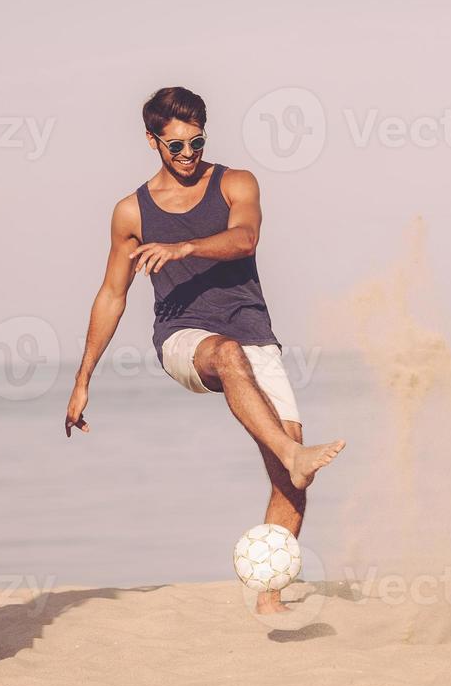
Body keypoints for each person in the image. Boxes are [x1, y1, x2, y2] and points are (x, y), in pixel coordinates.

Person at [64, 87, 345, 614]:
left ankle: (269, 600)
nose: (189, 155)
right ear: (152, 142)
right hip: (183, 336)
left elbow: (245, 239)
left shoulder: (236, 183)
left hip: (253, 329)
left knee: (291, 481)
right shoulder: (132, 212)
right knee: (229, 356)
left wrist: (186, 246)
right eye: (177, 147)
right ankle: (291, 454)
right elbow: (112, 294)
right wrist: (83, 378)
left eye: (197, 143)